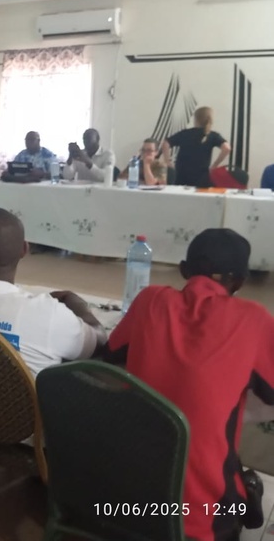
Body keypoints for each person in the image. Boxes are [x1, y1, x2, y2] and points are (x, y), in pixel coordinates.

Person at [104, 229, 273, 541]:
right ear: (240, 281)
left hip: (126, 507)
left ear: (183, 270)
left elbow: (110, 352)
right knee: (225, 458)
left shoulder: (149, 300)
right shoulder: (254, 319)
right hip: (200, 523)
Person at [0, 208, 107, 376]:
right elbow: (100, 342)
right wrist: (75, 302)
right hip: (28, 401)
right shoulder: (48, 314)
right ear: (24, 250)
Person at [162, 106, 231, 188]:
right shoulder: (212, 135)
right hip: (202, 175)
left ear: (196, 119)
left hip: (182, 174)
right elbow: (227, 148)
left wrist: (167, 161)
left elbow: (166, 143)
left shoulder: (185, 133)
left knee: (181, 194)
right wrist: (214, 165)